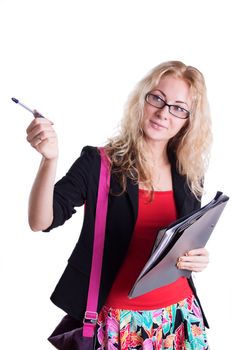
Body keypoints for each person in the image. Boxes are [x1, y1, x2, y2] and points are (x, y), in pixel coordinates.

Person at [26, 60, 212, 349]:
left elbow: (180, 243)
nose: (164, 113)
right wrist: (49, 159)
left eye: (178, 107)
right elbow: (40, 221)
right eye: (157, 98)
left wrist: (196, 258)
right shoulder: (98, 164)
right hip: (119, 322)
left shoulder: (187, 172)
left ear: (188, 120)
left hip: (181, 317)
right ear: (142, 99)